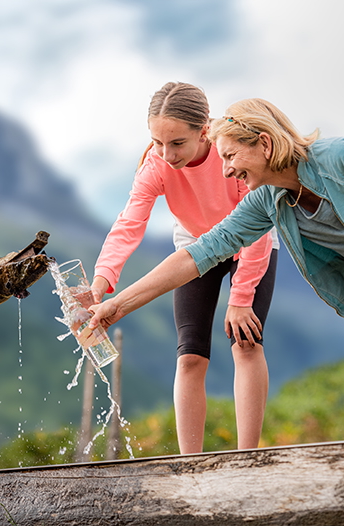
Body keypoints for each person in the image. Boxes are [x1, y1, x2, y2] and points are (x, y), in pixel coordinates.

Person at [89, 97, 344, 521]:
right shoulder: (268, 200)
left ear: (264, 143)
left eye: (230, 156)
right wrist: (118, 304)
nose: (226, 169)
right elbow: (201, 252)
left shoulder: (343, 157)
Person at [91, 83, 278, 454]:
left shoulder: (233, 154)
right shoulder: (156, 165)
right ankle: (189, 464)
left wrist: (240, 299)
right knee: (190, 356)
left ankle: (248, 458)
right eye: (158, 142)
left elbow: (257, 228)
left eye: (177, 143)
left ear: (204, 130)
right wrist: (103, 278)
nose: (166, 153)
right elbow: (129, 223)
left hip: (251, 244)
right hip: (195, 247)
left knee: (245, 343)